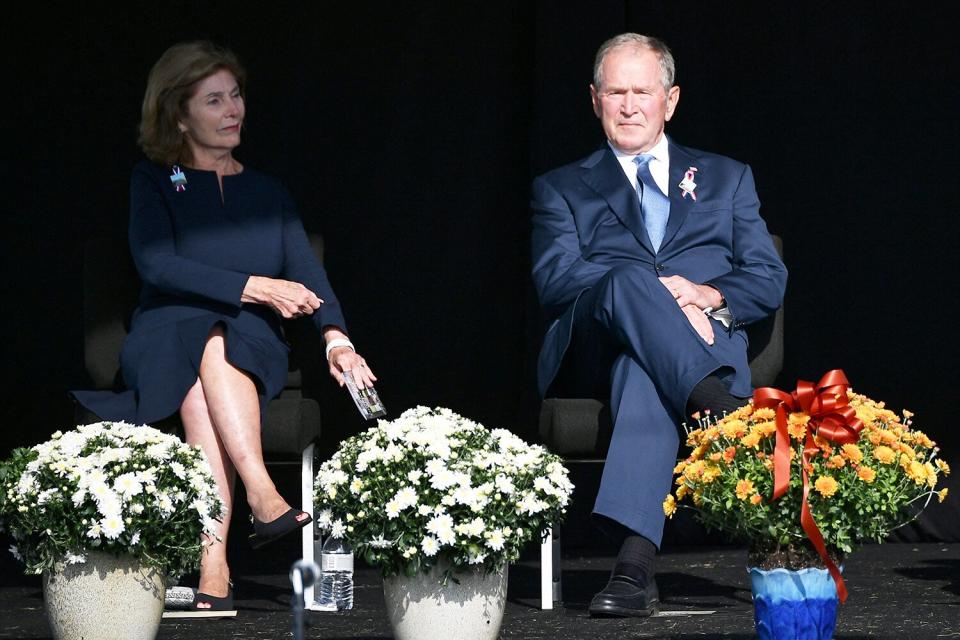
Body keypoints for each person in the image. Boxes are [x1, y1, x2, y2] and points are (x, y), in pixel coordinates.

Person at [72, 41, 376, 614]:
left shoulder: (268, 191)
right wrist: (255, 287)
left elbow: (309, 273)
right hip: (163, 331)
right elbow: (156, 263)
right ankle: (261, 495)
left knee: (214, 348)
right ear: (179, 114)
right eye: (214, 100)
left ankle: (216, 565)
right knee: (205, 339)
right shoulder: (156, 181)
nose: (232, 109)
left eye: (235, 95)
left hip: (249, 337)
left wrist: (336, 338)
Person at [531, 33, 787, 617]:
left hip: (687, 344)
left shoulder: (726, 177)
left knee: (643, 371)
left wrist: (705, 293)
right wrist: (653, 298)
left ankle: (633, 568)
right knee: (625, 280)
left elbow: (766, 276)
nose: (628, 106)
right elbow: (557, 280)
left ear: (669, 100)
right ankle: (724, 413)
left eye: (641, 92)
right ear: (594, 100)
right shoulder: (560, 187)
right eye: (615, 92)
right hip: (592, 346)